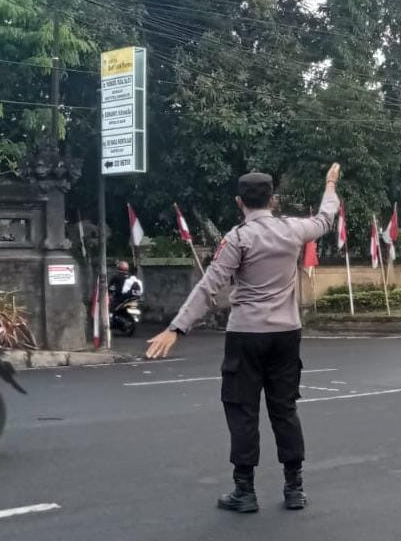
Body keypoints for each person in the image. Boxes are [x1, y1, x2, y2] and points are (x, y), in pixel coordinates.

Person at [146, 165, 340, 513]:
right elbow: (326, 218)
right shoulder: (294, 229)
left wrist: (176, 328)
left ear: (240, 202)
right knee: (284, 408)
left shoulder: (237, 238)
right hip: (286, 335)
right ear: (274, 199)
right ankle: (294, 488)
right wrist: (329, 184)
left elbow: (210, 286)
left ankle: (245, 491)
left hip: (246, 335)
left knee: (242, 411)